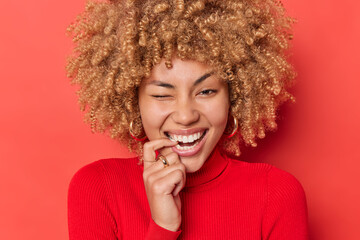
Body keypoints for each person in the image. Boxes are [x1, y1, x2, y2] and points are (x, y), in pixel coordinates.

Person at [66, 0, 308, 239]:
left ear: (234, 97)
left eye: (206, 91)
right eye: (162, 95)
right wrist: (163, 228)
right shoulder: (98, 189)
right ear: (132, 101)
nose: (186, 116)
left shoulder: (276, 194)